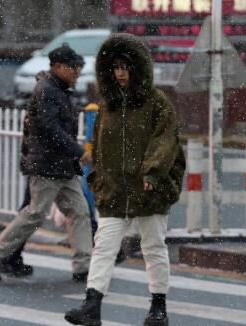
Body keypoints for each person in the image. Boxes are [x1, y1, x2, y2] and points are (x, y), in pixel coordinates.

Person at [65, 33, 185, 326]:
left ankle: (158, 308)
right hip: (115, 190)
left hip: (149, 188)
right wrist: (98, 175)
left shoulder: (157, 103)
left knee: (153, 247)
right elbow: (101, 144)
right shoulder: (109, 105)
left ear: (138, 69)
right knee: (104, 245)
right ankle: (92, 304)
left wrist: (153, 172)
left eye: (126, 67)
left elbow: (165, 141)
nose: (120, 73)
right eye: (115, 67)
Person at [0, 44, 93, 282]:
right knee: (34, 214)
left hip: (62, 166)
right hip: (48, 166)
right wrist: (78, 151)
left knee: (79, 212)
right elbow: (50, 129)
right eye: (74, 68)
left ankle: (84, 266)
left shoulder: (57, 90)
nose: (78, 73)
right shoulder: (48, 91)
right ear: (59, 67)